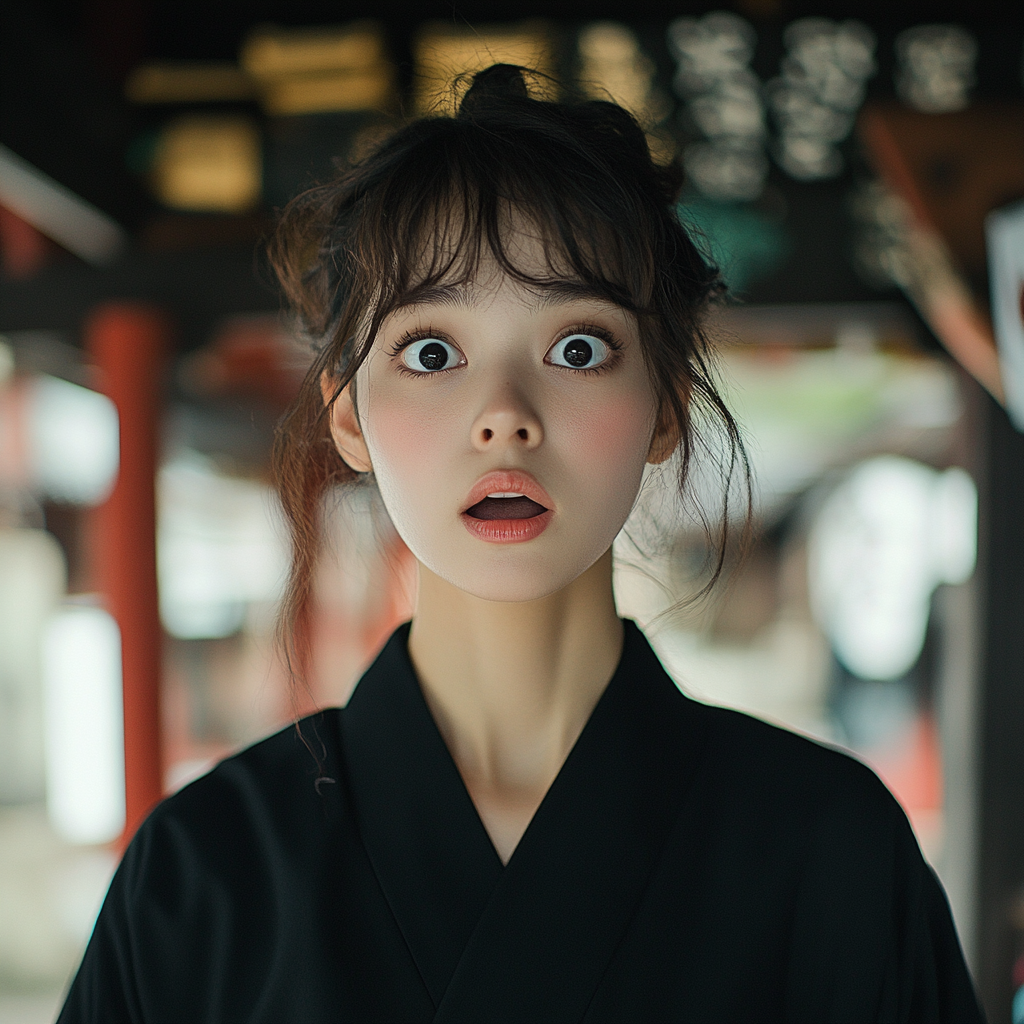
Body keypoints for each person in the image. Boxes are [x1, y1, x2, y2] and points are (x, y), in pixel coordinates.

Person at [58, 64, 984, 1023]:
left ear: (665, 404)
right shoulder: (204, 877)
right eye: (431, 353)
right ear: (346, 414)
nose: (503, 416)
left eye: (577, 348)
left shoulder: (830, 849)